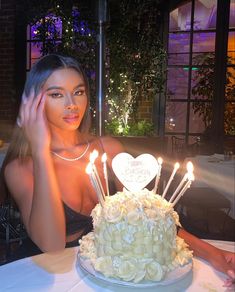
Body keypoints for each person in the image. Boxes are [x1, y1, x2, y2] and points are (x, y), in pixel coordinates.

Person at [0, 54, 234, 286]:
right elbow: (51, 245)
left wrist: (215, 254)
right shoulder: (21, 166)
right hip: (46, 278)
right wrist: (41, 150)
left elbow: (150, 220)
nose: (71, 103)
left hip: (110, 276)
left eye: (78, 92)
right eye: (56, 94)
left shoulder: (107, 149)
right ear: (34, 102)